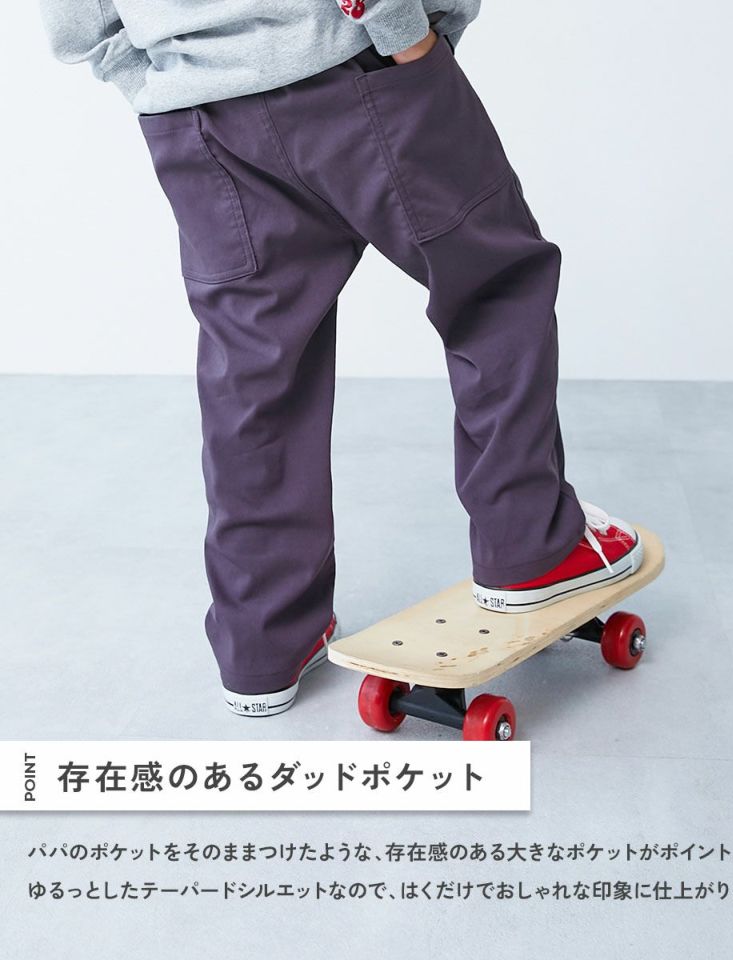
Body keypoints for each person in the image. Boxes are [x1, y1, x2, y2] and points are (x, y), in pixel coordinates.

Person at [38, 1, 643, 718]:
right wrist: (406, 33)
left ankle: (262, 642)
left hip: (195, 115)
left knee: (256, 371)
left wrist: (153, 77)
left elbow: (76, 20)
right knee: (495, 289)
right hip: (359, 69)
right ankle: (531, 545)